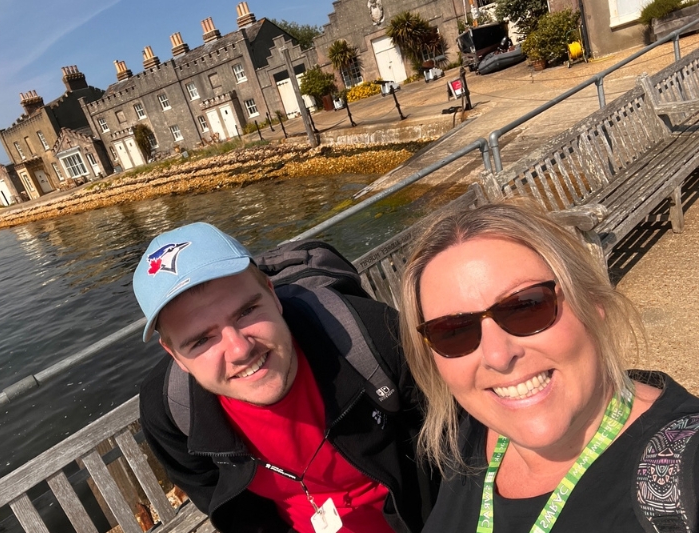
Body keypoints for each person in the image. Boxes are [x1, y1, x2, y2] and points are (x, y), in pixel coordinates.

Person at [397, 201, 699, 533]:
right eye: (453, 332)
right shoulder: (468, 437)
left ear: (591, 302)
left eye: (526, 307)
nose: (498, 356)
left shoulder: (686, 469)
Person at [133, 222, 434, 533]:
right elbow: (213, 492)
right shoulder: (170, 409)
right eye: (201, 340)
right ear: (174, 355)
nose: (239, 349)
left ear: (273, 295)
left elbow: (452, 450)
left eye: (246, 312)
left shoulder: (372, 337)